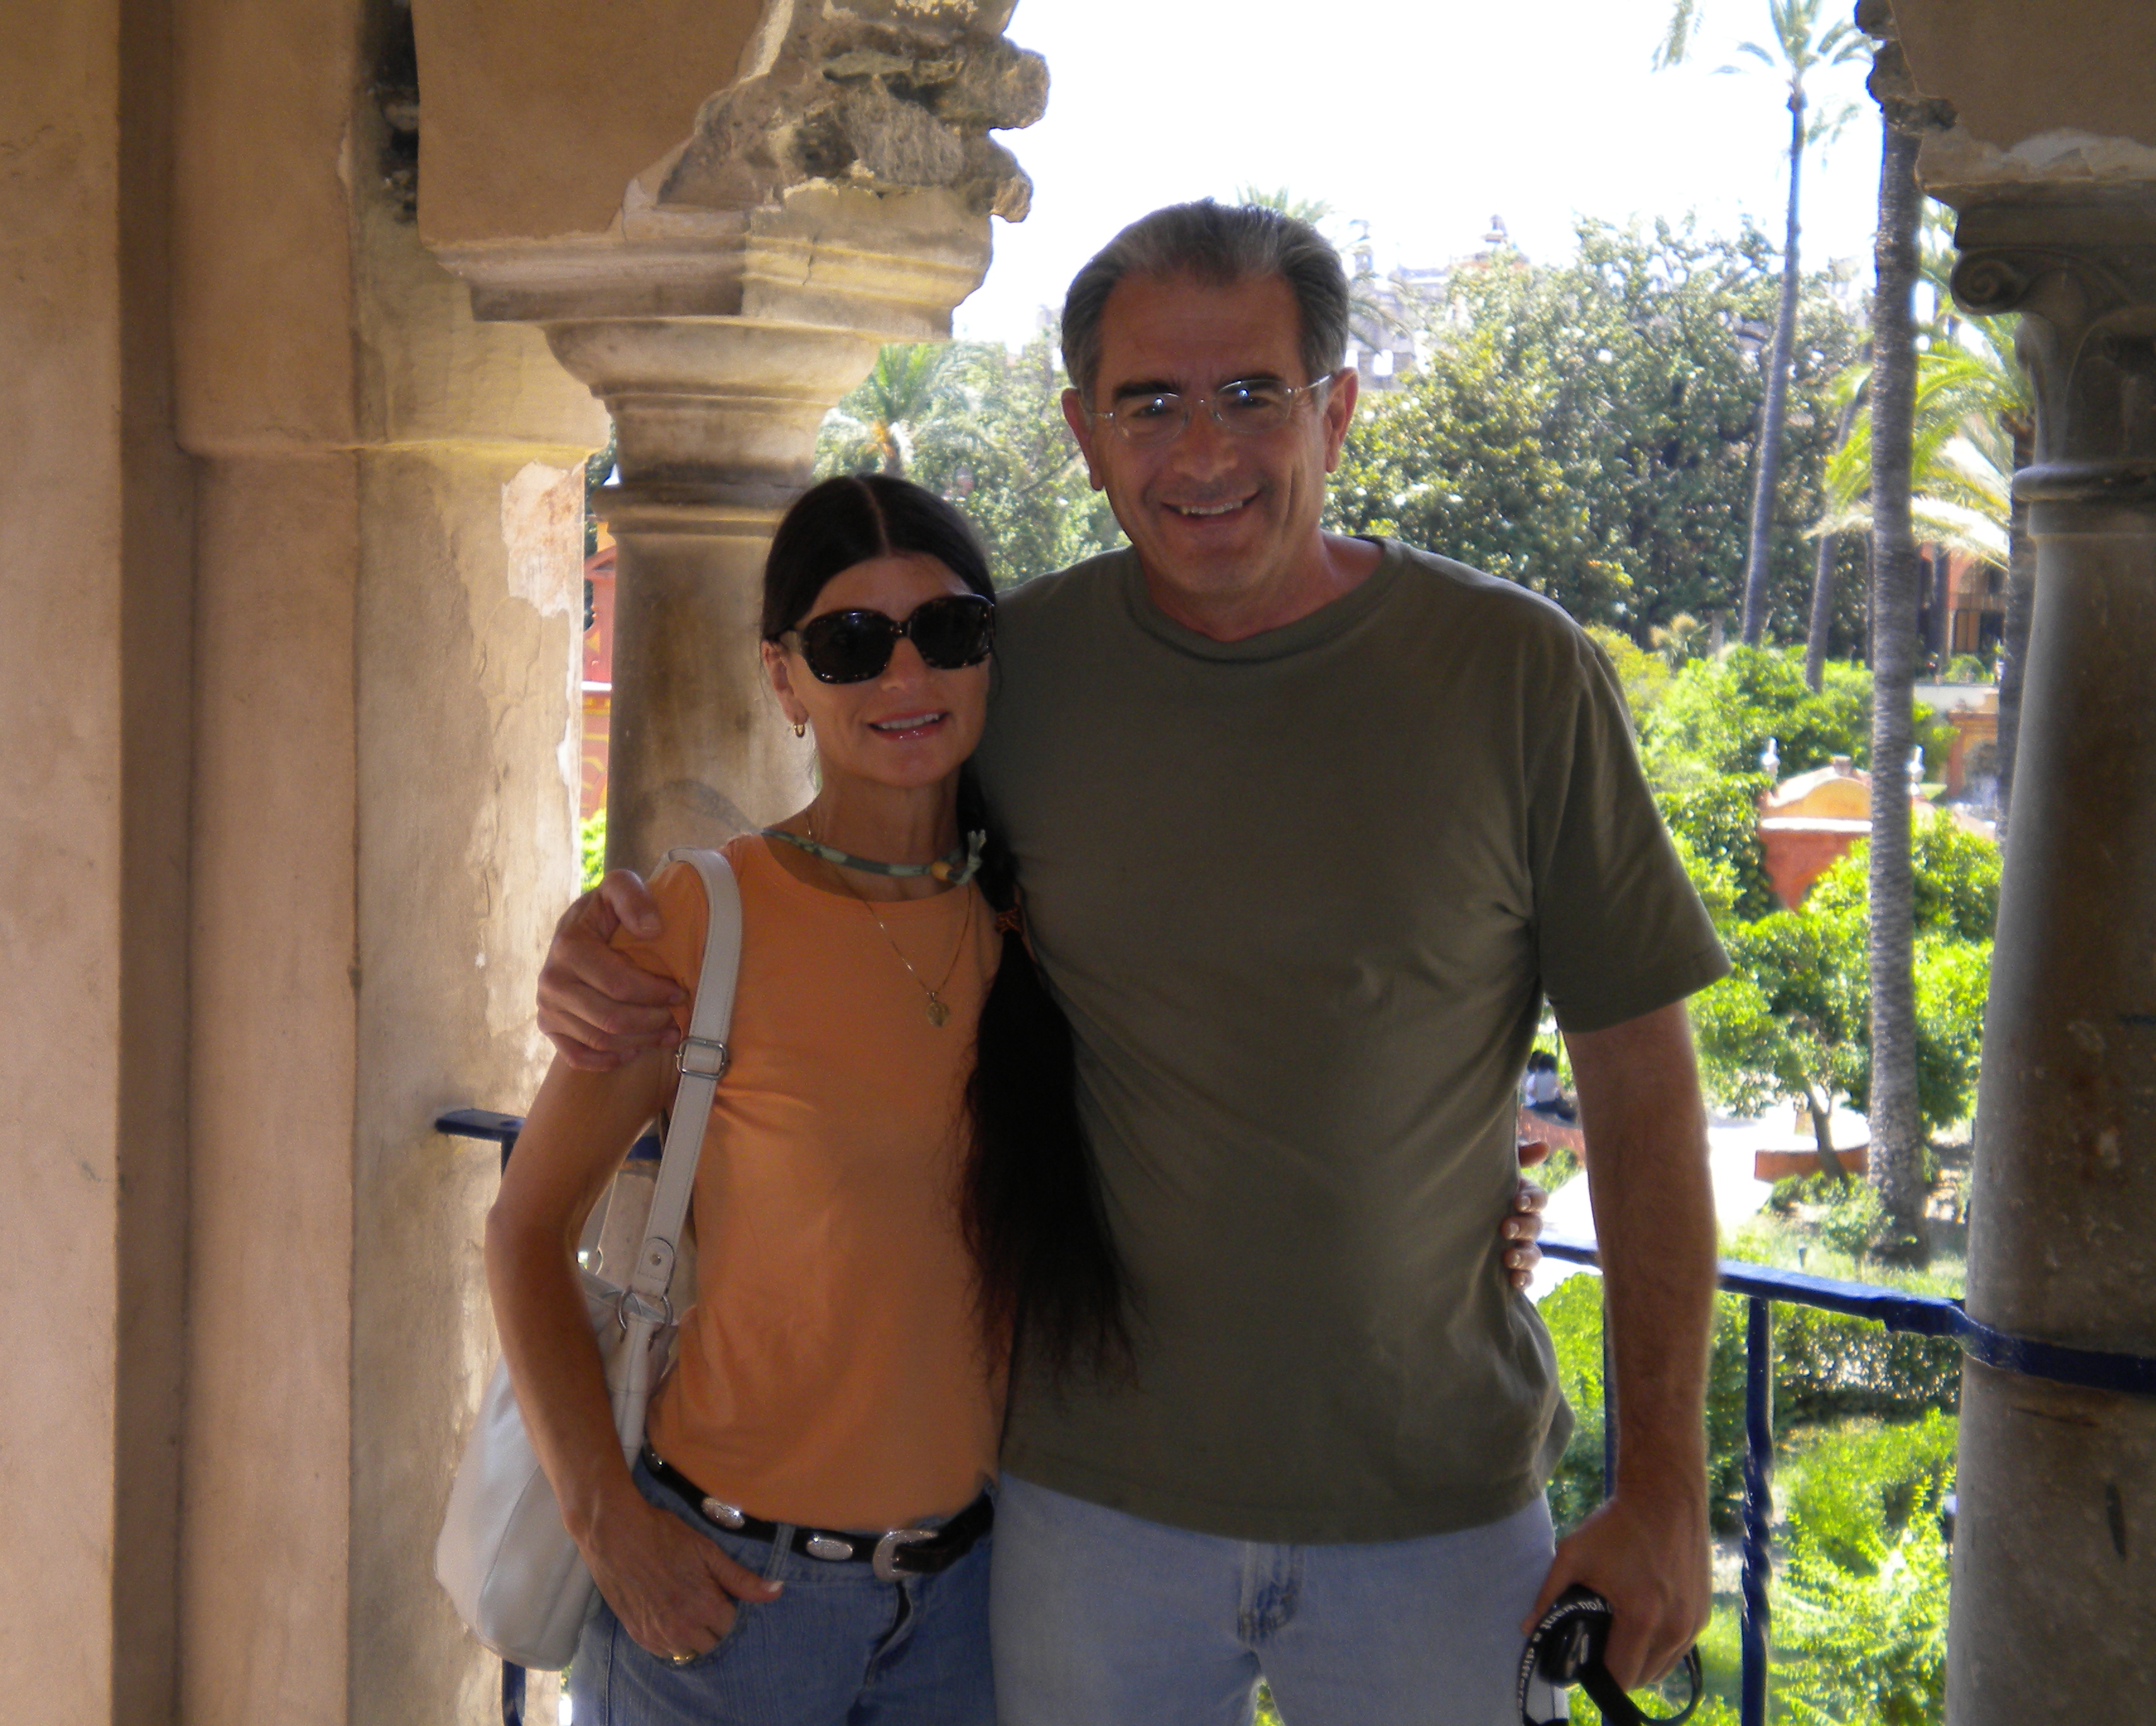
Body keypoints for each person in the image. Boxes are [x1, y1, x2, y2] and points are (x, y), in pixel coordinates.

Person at [536, 202, 1726, 1725]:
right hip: (1081, 1516)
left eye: (1252, 394)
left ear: (1337, 412)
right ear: (1084, 436)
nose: (1203, 450)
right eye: (1150, 403)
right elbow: (840, 852)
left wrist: (1664, 1484)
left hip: (1434, 1508)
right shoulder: (1008, 670)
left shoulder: (1512, 672)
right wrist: (602, 941)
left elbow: (1641, 1087)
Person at [488, 471, 1553, 1725]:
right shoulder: (700, 922)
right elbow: (526, 1229)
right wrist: (607, 1524)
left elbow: (1245, 1098)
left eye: (947, 631)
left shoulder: (1046, 931)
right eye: (851, 643)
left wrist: (1462, 1219)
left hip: (974, 1614)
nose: (905, 675)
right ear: (783, 677)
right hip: (725, 1602)